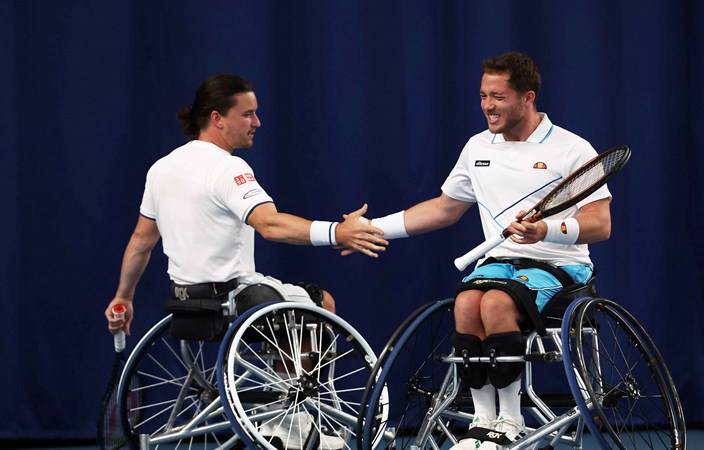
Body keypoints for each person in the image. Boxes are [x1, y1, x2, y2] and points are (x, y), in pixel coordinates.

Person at [104, 74, 387, 449]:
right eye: (248, 114)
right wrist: (339, 232)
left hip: (185, 304)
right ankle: (293, 425)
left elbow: (141, 241)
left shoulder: (162, 168)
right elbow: (270, 225)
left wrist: (123, 298)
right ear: (218, 118)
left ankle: (288, 416)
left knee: (291, 305)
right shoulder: (228, 169)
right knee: (323, 305)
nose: (257, 123)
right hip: (235, 301)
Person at [361, 52, 612, 449]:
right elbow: (444, 209)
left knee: (494, 304)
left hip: (562, 267)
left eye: (498, 97)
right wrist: (373, 229)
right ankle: (483, 420)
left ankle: (510, 421)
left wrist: (546, 229)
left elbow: (601, 223)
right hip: (499, 263)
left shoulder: (573, 149)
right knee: (465, 305)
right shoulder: (477, 147)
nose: (488, 106)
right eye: (482, 96)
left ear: (527, 98)